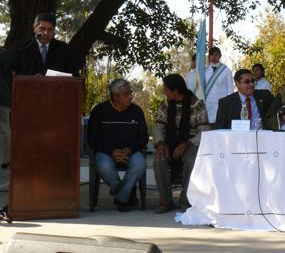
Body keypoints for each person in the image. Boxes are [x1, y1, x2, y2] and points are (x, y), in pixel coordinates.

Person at [87, 79, 148, 212]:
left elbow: (143, 138)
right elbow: (92, 138)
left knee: (140, 164)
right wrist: (111, 151)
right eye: (126, 94)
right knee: (104, 166)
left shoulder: (136, 111)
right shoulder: (99, 111)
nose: (130, 96)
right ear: (115, 96)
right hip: (106, 152)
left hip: (130, 152)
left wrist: (129, 150)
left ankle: (121, 196)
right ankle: (126, 195)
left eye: (130, 92)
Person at [152, 74, 210, 213]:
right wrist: (160, 144)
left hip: (191, 143)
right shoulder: (165, 105)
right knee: (159, 158)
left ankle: (186, 201)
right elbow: (158, 127)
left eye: (166, 89)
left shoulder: (196, 105)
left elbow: (204, 132)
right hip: (169, 143)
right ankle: (165, 201)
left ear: (175, 90)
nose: (164, 92)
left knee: (191, 160)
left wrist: (186, 145)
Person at [204, 47, 234, 126]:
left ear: (220, 56)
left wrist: (229, 104)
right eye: (211, 55)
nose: (214, 57)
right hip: (208, 104)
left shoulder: (226, 70)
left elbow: (230, 88)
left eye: (216, 55)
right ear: (209, 56)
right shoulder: (204, 71)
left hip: (222, 103)